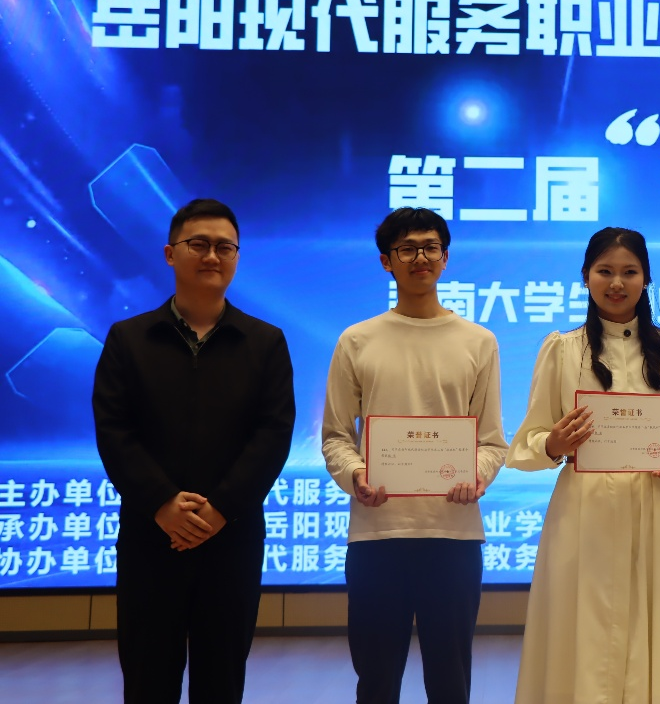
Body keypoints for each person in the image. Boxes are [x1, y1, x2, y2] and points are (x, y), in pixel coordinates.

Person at [93, 198, 295, 703]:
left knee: (221, 680)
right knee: (147, 679)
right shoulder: (129, 339)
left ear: (237, 257)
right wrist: (162, 503)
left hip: (232, 538)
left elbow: (273, 435)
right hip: (150, 536)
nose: (212, 256)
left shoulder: (265, 342)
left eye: (225, 247)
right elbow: (114, 430)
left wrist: (221, 508)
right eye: (198, 244)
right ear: (170, 253)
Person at [507, 227, 660, 704]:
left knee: (656, 626)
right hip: (583, 511)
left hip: (654, 506)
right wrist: (554, 443)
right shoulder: (562, 348)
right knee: (581, 628)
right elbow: (526, 443)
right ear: (586, 277)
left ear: (646, 278)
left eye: (630, 272)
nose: (617, 283)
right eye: (605, 271)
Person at [321, 207, 508, 704]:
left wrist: (476, 475)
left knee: (450, 682)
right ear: (386, 260)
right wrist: (357, 474)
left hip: (453, 535)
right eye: (407, 248)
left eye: (430, 247)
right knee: (376, 681)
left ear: (445, 258)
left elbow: (492, 442)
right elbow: (336, 436)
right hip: (377, 535)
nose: (420, 257)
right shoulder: (356, 340)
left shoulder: (479, 341)